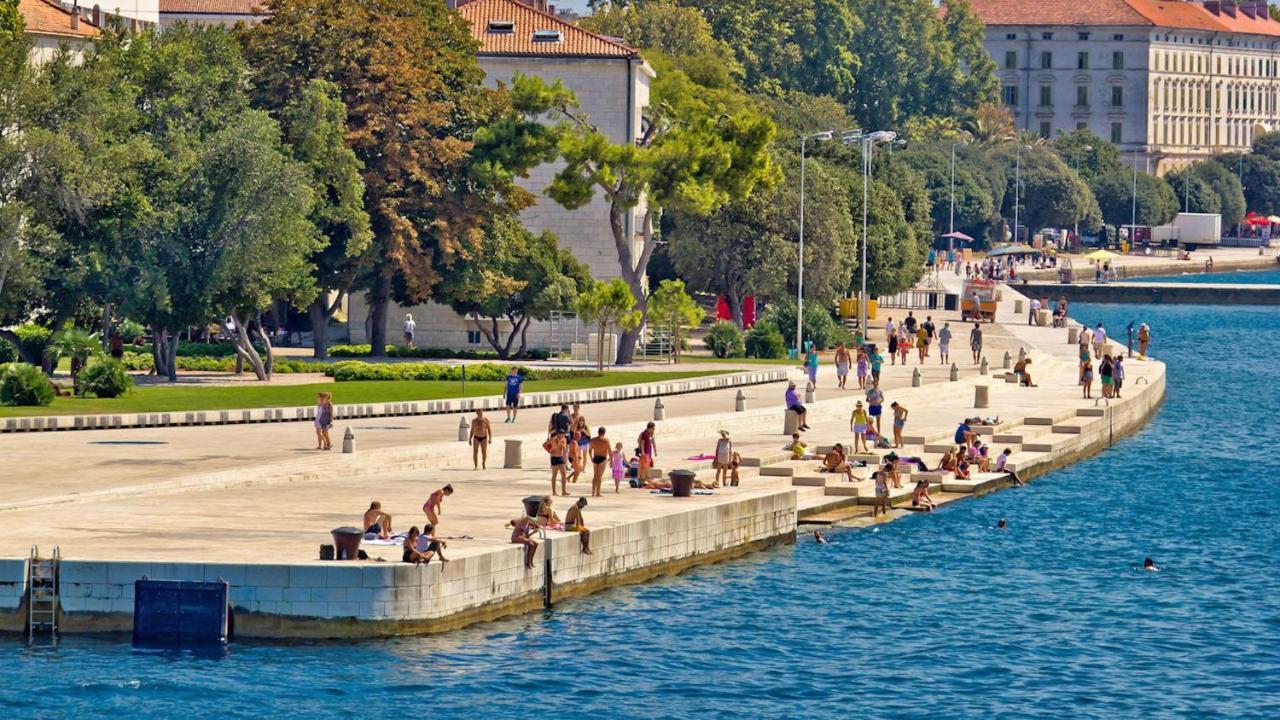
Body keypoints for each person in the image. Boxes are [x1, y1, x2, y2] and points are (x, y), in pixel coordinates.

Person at [545, 431, 569, 496]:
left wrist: (562, 447)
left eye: (563, 434)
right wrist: (549, 451)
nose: (562, 435)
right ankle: (554, 492)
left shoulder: (564, 439)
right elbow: (544, 445)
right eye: (561, 434)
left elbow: (565, 448)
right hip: (554, 457)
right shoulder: (553, 439)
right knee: (554, 475)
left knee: (564, 474)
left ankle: (564, 491)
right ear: (558, 434)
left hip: (561, 457)